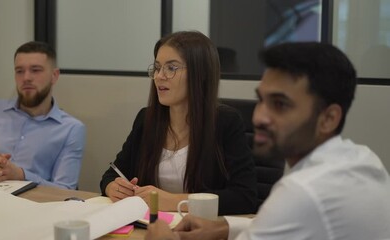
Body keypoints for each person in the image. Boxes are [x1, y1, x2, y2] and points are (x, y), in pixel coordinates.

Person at [145, 42, 390, 240]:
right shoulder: (364, 160)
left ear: (328, 118)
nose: (260, 116)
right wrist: (227, 228)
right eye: (261, 100)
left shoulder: (301, 192)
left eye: (280, 105)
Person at [100, 31, 257, 215]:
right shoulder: (146, 119)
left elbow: (245, 198)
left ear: (201, 73)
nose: (159, 76)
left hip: (201, 230)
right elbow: (112, 174)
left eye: (171, 68)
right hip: (152, 227)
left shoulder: (226, 122)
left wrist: (173, 201)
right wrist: (113, 187)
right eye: (157, 68)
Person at [0, 41, 86, 189]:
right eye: (19, 71)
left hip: (32, 205)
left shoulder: (71, 129)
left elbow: (65, 190)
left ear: (54, 75)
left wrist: (21, 175)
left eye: (35, 70)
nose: (26, 77)